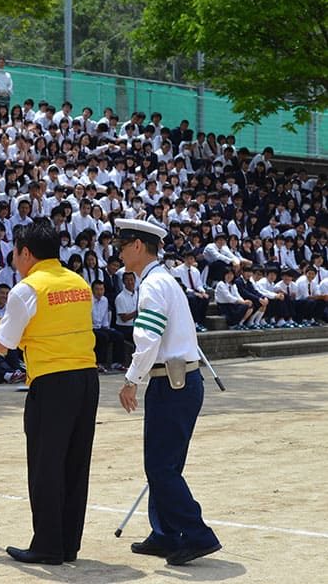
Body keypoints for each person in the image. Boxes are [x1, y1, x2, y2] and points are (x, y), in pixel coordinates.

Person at [0, 220, 99, 565]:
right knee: (75, 463)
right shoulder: (79, 283)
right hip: (87, 378)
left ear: (25, 252)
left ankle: (48, 545)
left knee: (46, 464)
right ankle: (68, 544)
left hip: (52, 381)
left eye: (15, 252)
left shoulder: (28, 288)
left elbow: (4, 342)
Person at [115, 218, 221, 566]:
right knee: (165, 464)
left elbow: (148, 338)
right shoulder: (164, 280)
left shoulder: (153, 286)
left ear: (137, 247)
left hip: (171, 384)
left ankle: (196, 534)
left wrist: (132, 379)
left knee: (161, 467)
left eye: (123, 243)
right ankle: (163, 533)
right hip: (181, 382)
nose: (118, 250)